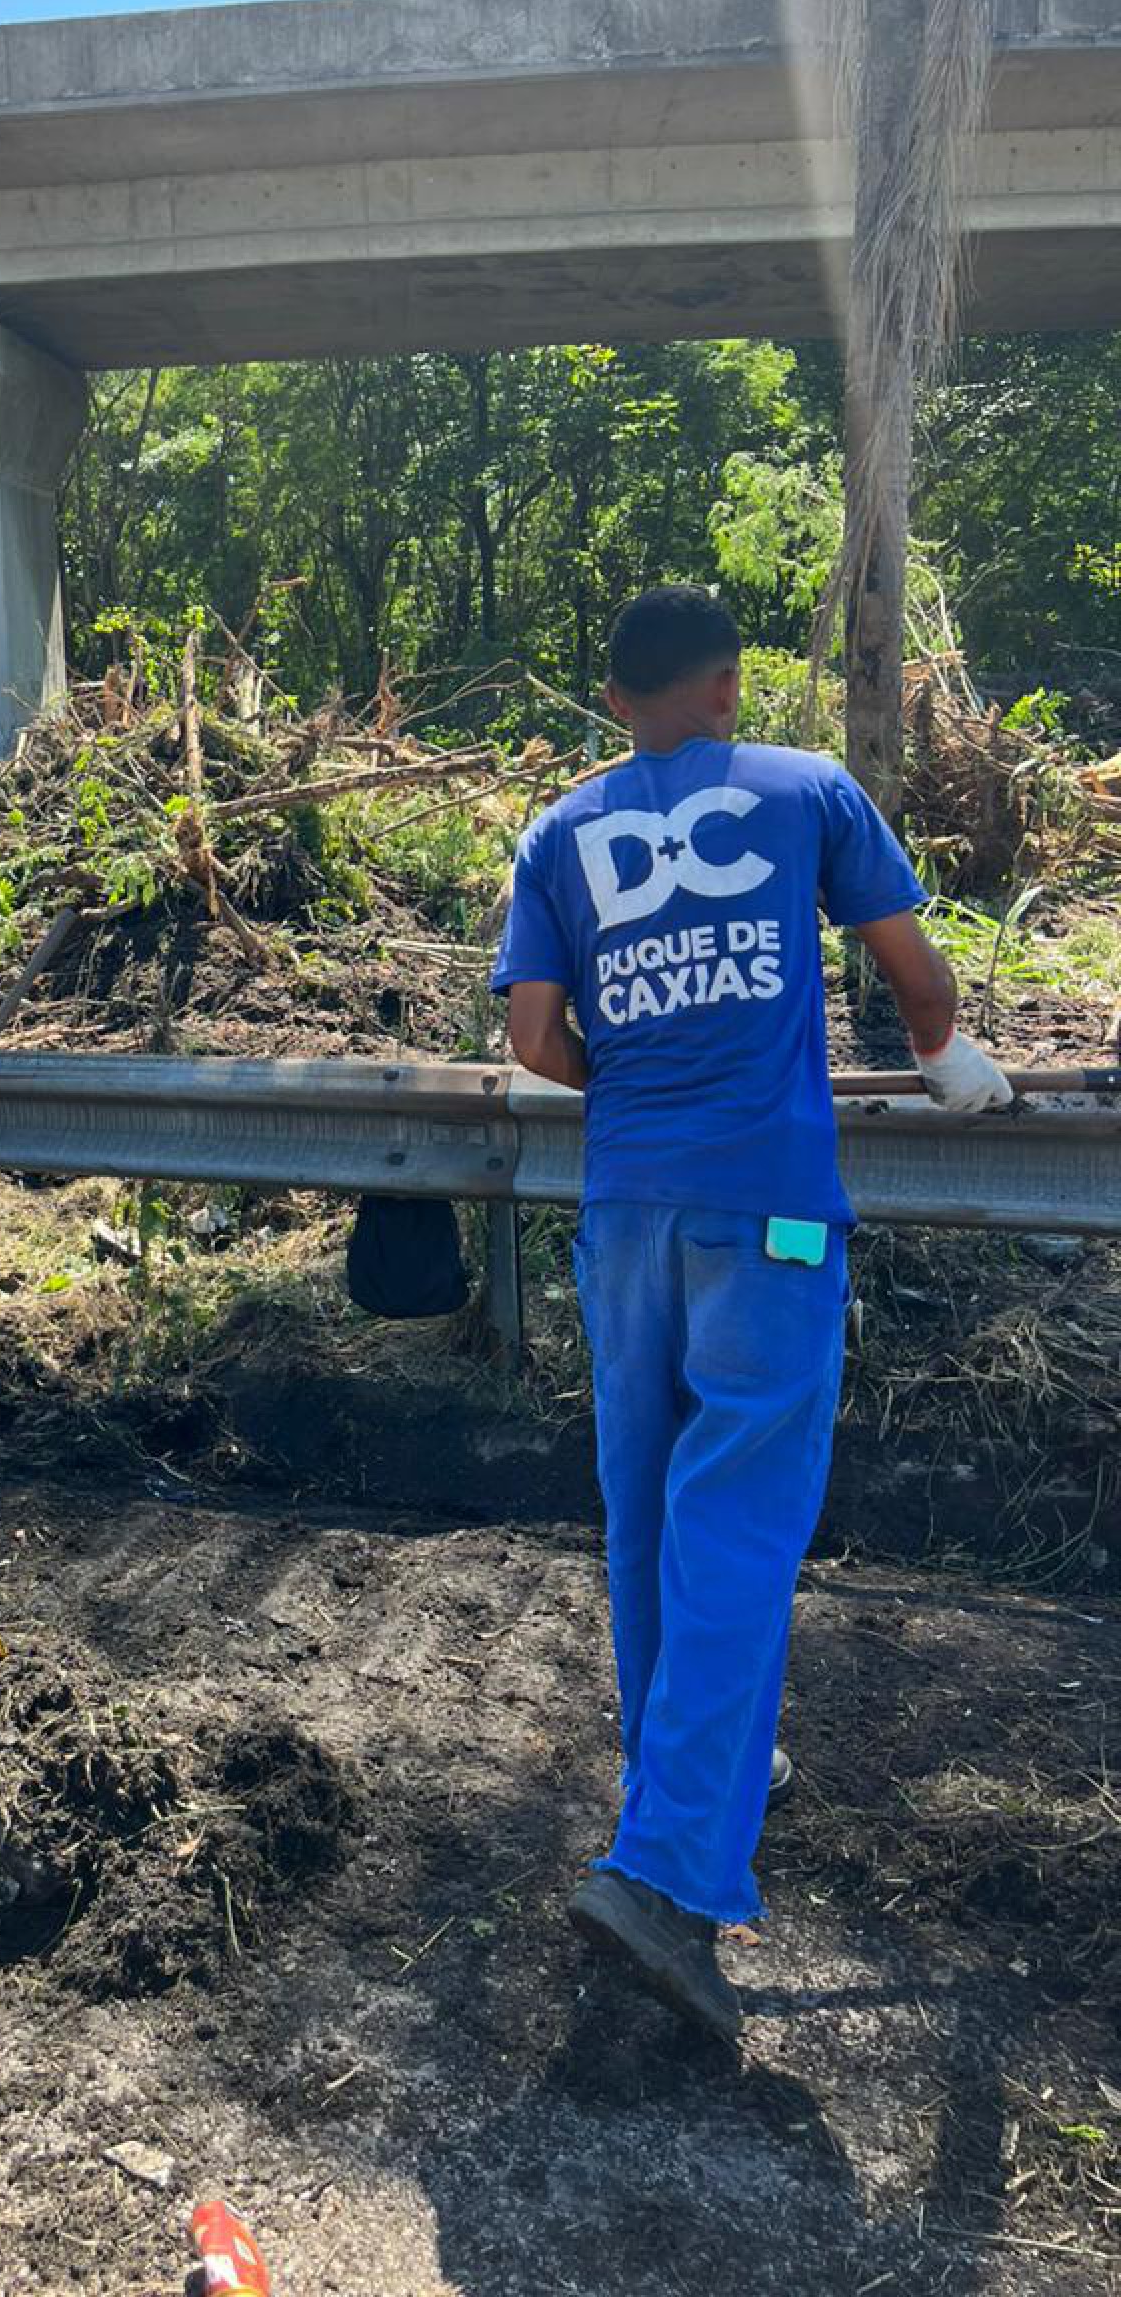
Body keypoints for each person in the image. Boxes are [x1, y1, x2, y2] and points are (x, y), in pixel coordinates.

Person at [492, 586, 1010, 2046]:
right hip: (768, 1214)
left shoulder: (559, 829)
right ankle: (666, 1873)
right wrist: (948, 1056)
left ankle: (680, 1780)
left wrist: (640, 1087)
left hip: (625, 1212)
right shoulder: (808, 789)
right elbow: (912, 971)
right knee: (737, 1521)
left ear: (617, 703)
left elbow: (532, 1040)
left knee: (651, 1508)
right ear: (728, 686)